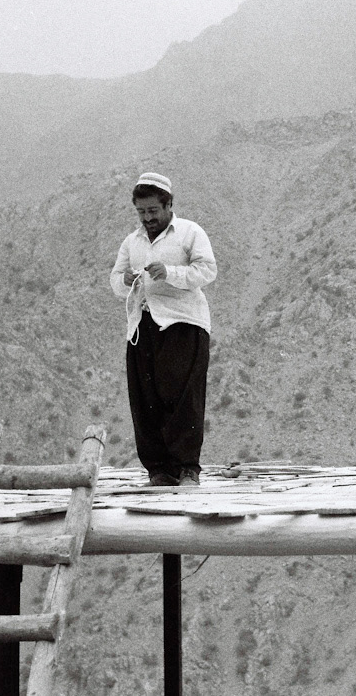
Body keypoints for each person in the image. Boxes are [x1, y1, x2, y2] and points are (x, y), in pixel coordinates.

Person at [110, 172, 217, 487]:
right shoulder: (133, 241)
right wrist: (125, 281)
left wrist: (169, 272)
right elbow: (115, 278)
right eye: (141, 212)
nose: (147, 218)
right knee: (146, 398)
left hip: (183, 323)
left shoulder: (189, 233)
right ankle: (158, 470)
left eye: (153, 211)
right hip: (142, 326)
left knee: (183, 397)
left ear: (169, 205)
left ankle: (187, 469)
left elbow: (207, 270)